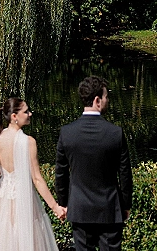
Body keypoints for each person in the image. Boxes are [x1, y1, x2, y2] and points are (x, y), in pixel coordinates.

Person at [0, 97, 67, 251]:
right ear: (14, 116)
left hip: (3, 203)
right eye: (26, 111)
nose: (30, 114)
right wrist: (55, 207)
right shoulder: (28, 142)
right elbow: (37, 179)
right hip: (24, 202)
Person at [55, 76, 133, 251]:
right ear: (97, 100)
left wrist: (63, 202)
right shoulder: (115, 133)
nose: (107, 100)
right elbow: (125, 173)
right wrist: (126, 204)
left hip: (80, 207)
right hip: (110, 207)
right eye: (106, 97)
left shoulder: (67, 133)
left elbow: (61, 172)